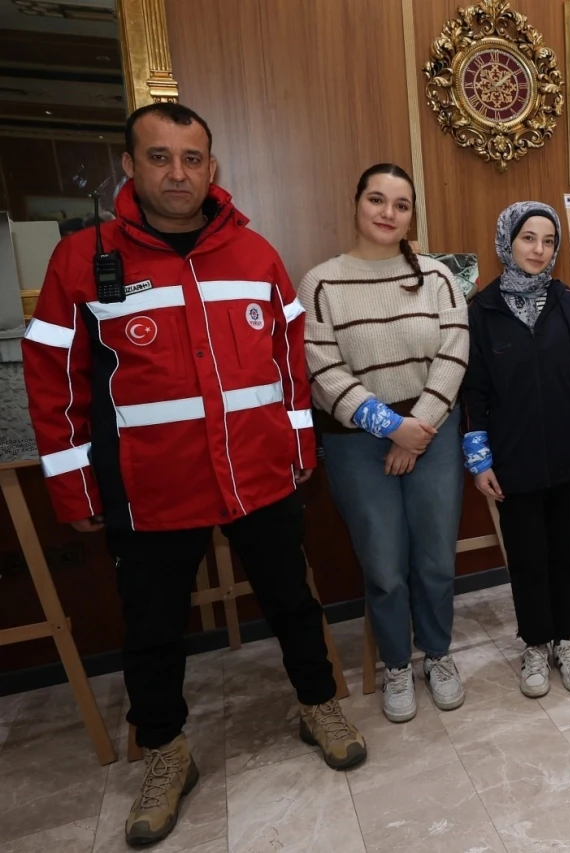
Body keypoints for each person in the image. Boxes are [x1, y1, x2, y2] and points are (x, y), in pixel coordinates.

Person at [22, 103, 365, 847]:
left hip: (257, 474)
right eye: (159, 157)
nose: (177, 173)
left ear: (213, 166)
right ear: (130, 164)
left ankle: (317, 702)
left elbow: (287, 366)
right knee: (151, 629)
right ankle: (166, 749)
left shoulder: (255, 256)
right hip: (150, 488)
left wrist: (302, 447)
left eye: (192, 157)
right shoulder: (82, 262)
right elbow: (55, 381)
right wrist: (74, 486)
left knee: (293, 604)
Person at [298, 163, 469, 723]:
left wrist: (416, 430)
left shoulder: (439, 278)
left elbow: (453, 354)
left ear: (411, 214)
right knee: (384, 566)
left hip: (433, 430)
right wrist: (390, 428)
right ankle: (398, 663)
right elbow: (323, 373)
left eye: (400, 205)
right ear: (356, 204)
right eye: (377, 199)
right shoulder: (322, 283)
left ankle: (438, 655)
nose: (387, 213)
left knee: (435, 560)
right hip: (358, 442)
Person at [461, 202, 570, 698]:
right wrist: (479, 460)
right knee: (527, 558)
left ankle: (568, 639)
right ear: (508, 241)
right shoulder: (481, 311)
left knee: (568, 555)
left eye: (548, 241)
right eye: (528, 238)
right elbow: (474, 392)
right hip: (514, 461)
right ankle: (534, 642)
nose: (538, 250)